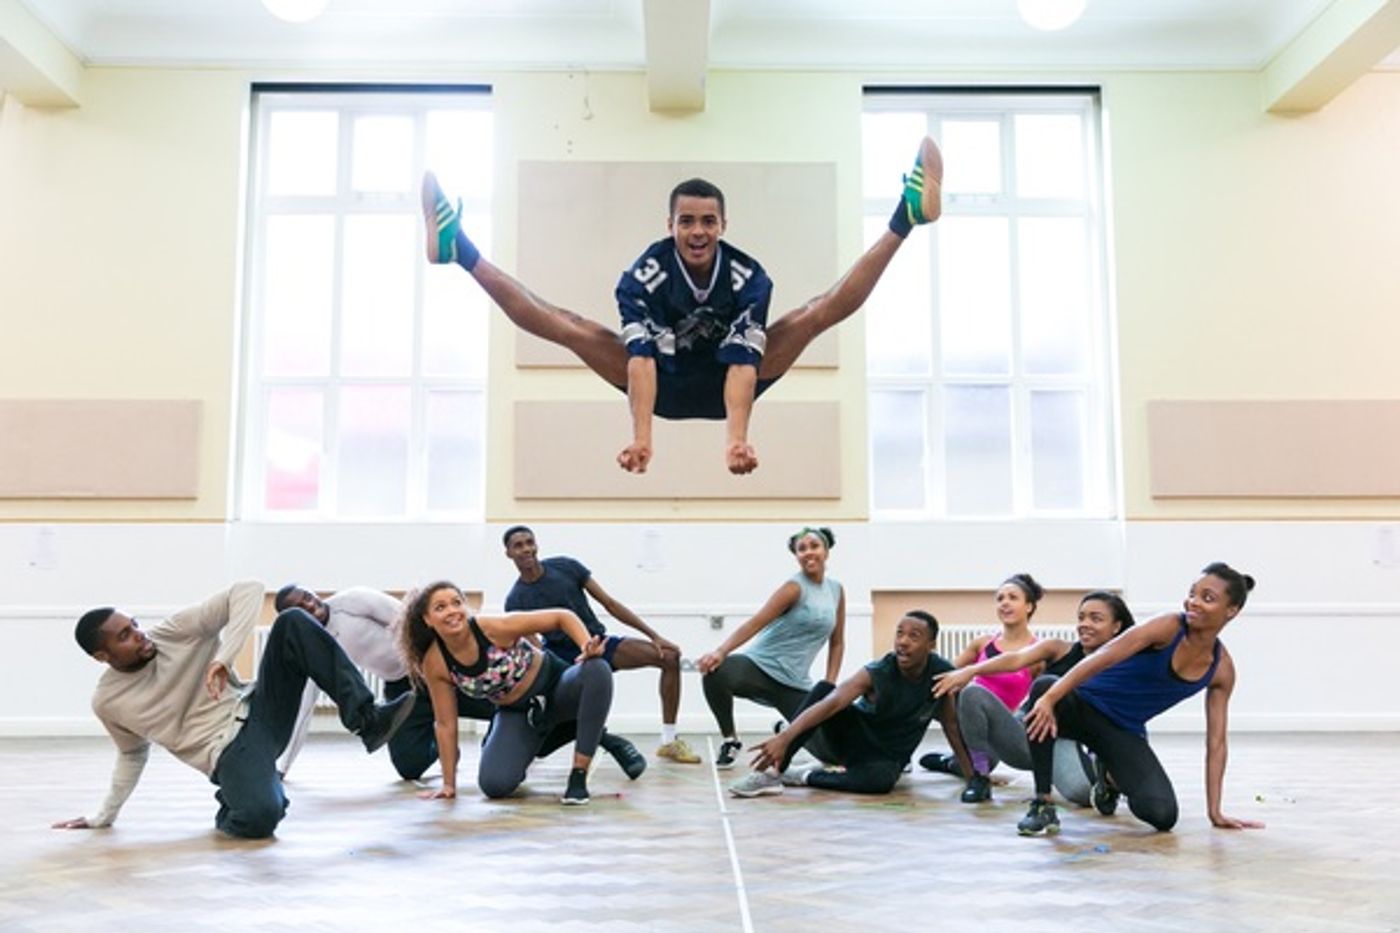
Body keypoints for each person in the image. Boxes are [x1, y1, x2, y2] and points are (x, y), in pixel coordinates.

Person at [420, 137, 943, 475]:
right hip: (661, 384)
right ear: (669, 225)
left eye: (707, 221)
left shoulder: (748, 277)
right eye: (687, 221)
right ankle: (459, 250)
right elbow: (639, 359)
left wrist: (736, 440)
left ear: (723, 226)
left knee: (812, 315)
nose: (697, 232)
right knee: (571, 326)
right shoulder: (644, 277)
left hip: (728, 387)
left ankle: (906, 214)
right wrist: (641, 437)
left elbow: (743, 362)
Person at [53, 582, 415, 839]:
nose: (139, 634)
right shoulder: (109, 702)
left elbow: (249, 590)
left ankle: (368, 720)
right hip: (229, 753)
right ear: (103, 657)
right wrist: (104, 815)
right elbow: (131, 756)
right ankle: (237, 799)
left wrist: (223, 659)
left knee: (293, 621)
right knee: (261, 819)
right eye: (124, 636)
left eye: (133, 624)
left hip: (261, 709)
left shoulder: (172, 633)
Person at [1016, 562, 1267, 837]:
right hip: (1081, 707)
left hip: (1122, 731)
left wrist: (1214, 811)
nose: (1193, 602)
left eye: (1207, 598)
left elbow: (1217, 743)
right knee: (1044, 687)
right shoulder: (1169, 626)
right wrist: (1050, 697)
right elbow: (1103, 655)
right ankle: (1043, 804)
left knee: (1162, 815)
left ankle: (1106, 777)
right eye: (1192, 593)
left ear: (1231, 611)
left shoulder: (1221, 669)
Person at [398, 581, 615, 805]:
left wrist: (585, 647)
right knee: (495, 784)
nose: (452, 611)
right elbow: (445, 725)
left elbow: (562, 616)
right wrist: (448, 784)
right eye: (440, 607)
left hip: (556, 686)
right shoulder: (436, 663)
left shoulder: (491, 628)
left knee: (597, 668)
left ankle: (578, 777)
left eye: (456, 603)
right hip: (518, 711)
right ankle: (573, 732)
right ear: (427, 620)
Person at [502, 525, 698, 765]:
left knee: (668, 657)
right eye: (518, 546)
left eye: (529, 542)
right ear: (509, 553)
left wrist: (654, 636)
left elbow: (609, 603)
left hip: (599, 643)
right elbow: (534, 647)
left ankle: (669, 741)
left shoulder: (566, 567)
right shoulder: (515, 600)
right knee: (558, 723)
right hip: (564, 659)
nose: (526, 549)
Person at [728, 610, 973, 798]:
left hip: (886, 758)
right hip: (851, 739)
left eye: (914, 636)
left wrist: (973, 776)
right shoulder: (879, 671)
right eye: (899, 633)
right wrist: (786, 737)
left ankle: (807, 775)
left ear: (931, 645)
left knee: (880, 784)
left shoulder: (942, 674)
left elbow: (951, 725)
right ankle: (774, 773)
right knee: (825, 689)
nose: (903, 641)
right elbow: (832, 702)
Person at [930, 591, 1137, 808]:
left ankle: (1103, 778)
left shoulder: (1120, 668)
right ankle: (978, 777)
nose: (1085, 624)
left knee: (1083, 794)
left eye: (1096, 619)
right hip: (1024, 735)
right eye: (1081, 617)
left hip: (1062, 740)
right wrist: (971, 670)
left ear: (1116, 626)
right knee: (972, 693)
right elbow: (1017, 658)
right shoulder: (1058, 648)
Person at [272, 584, 497, 781]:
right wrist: (282, 769)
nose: (310, 605)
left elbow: (410, 622)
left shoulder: (353, 601)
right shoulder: (312, 646)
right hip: (401, 690)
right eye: (300, 607)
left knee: (497, 706)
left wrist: (444, 662)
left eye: (308, 597)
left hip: (434, 671)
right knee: (409, 768)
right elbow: (304, 707)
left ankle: (511, 737)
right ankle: (444, 744)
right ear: (291, 619)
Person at [696, 527, 845, 769]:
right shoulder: (794, 587)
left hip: (795, 682)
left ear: (826, 551)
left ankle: (784, 728)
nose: (808, 553)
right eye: (801, 549)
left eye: (814, 546)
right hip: (759, 667)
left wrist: (829, 684)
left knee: (831, 756)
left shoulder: (836, 590)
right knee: (716, 673)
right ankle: (731, 740)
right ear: (796, 556)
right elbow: (756, 622)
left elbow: (837, 641)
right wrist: (720, 652)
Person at [917, 572, 1044, 793]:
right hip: (968, 717)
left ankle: (948, 762)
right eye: (1000, 598)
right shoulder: (982, 643)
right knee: (972, 692)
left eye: (1013, 597)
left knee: (987, 760)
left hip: (999, 726)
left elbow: (1039, 700)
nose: (1005, 603)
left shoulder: (1037, 653)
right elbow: (946, 676)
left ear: (1029, 606)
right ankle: (978, 777)